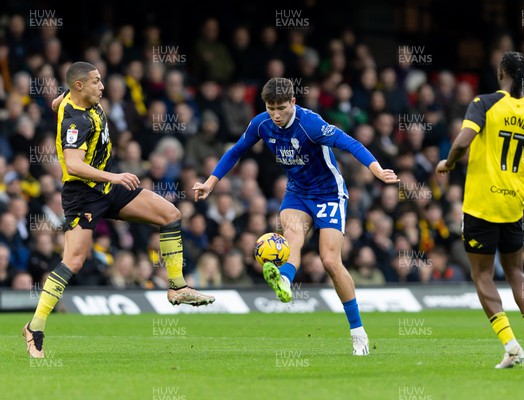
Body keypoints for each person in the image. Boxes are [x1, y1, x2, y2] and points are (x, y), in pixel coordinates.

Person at [193, 77, 400, 355]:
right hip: (297, 193)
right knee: (291, 237)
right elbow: (236, 151)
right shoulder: (261, 124)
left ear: (293, 102)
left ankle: (357, 332)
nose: (276, 115)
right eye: (270, 108)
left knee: (329, 260)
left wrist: (375, 169)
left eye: (281, 108)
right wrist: (210, 182)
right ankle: (285, 280)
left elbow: (349, 143)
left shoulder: (311, 124)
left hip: (329, 194)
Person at [23, 62, 215, 359]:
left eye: (101, 81)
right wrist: (114, 175)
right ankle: (34, 328)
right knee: (72, 262)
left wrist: (62, 97)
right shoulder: (76, 121)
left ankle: (177, 286)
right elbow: (72, 164)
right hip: (83, 196)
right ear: (80, 86)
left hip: (107, 189)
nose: (102, 86)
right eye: (96, 82)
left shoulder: (71, 100)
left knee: (171, 215)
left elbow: (54, 102)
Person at [436, 51, 524, 368]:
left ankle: (510, 345)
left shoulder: (484, 103)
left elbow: (463, 142)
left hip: (481, 205)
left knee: (482, 274)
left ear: (500, 72)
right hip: (513, 206)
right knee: (516, 271)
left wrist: (448, 163)